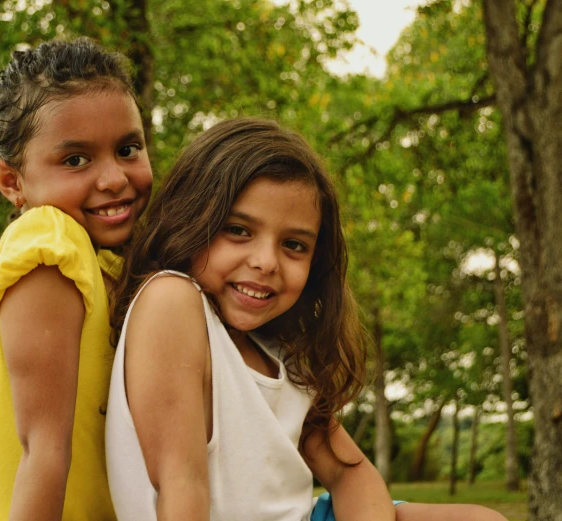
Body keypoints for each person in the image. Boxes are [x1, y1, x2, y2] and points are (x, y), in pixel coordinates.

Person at [105, 118, 506, 521]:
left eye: (294, 245)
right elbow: (180, 486)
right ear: (189, 220)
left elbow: (351, 475)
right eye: (239, 230)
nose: (265, 262)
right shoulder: (171, 300)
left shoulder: (279, 351)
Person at [0, 38, 152, 521]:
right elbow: (42, 451)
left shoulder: (106, 261)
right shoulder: (48, 243)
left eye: (128, 149)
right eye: (75, 160)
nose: (113, 178)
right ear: (11, 182)